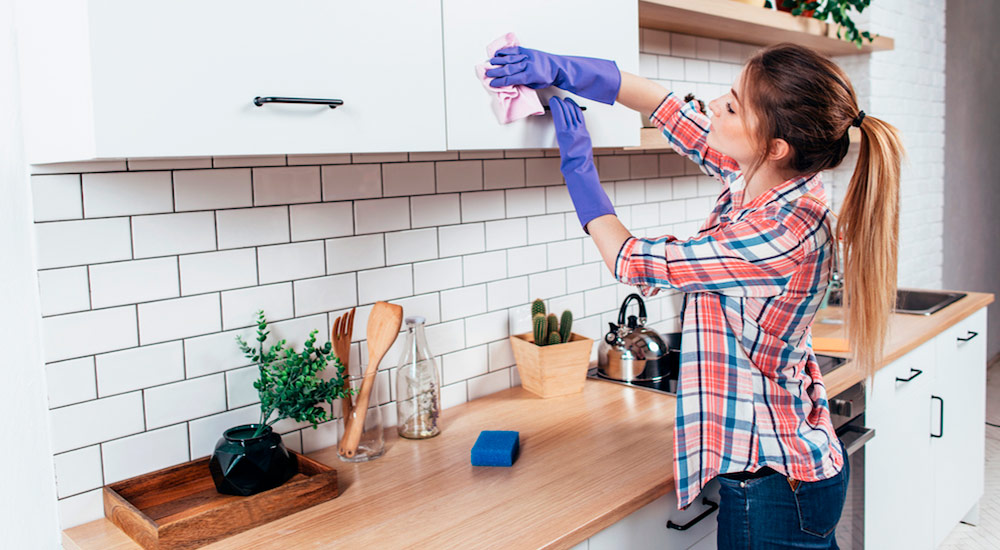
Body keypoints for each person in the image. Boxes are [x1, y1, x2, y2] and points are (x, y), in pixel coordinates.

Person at [487, 43, 904, 549]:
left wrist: (578, 167)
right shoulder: (766, 180)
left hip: (774, 485)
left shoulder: (779, 231)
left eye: (731, 106)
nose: (712, 106)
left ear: (774, 146)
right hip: (785, 470)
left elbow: (632, 260)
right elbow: (668, 107)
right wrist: (563, 68)